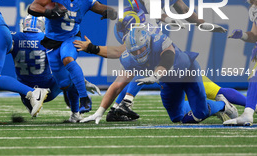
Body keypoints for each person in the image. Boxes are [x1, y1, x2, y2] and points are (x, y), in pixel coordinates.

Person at [74, 8, 246, 122]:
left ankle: (230, 105)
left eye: (141, 50)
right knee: (178, 117)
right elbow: (118, 84)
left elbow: (168, 56)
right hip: (168, 81)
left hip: (185, 70)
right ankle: (212, 106)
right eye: (134, 52)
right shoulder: (131, 52)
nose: (138, 53)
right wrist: (100, 111)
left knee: (210, 99)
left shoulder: (156, 39)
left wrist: (154, 77)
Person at [28, 0, 117, 113]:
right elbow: (33, 7)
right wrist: (49, 12)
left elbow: (99, 7)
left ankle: (84, 98)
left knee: (68, 58)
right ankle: (79, 88)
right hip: (52, 40)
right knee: (63, 84)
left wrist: (113, 11)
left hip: (71, 37)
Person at [11, 14, 100, 122]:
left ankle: (30, 105)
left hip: (26, 94)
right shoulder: (47, 39)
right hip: (48, 91)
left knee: (17, 81)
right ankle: (75, 113)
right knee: (70, 78)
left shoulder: (14, 38)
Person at [224, 0, 257, 126]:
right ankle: (248, 113)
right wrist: (243, 35)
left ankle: (248, 113)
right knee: (254, 77)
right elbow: (254, 35)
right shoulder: (253, 9)